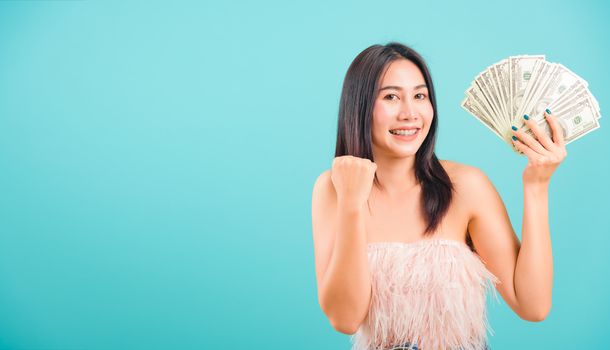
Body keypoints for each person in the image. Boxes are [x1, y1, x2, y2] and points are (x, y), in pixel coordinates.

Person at [311, 42, 566, 350]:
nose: (410, 113)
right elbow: (345, 319)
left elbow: (533, 306)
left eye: (420, 96)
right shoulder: (332, 189)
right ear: (360, 106)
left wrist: (536, 186)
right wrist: (351, 205)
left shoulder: (466, 185)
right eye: (391, 96)